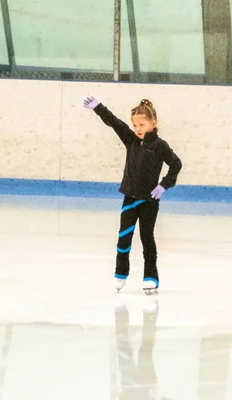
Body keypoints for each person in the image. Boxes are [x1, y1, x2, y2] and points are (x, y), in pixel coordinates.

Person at [83, 96, 182, 292]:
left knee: (147, 238)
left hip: (149, 201)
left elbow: (176, 164)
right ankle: (120, 274)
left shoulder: (160, 146)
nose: (137, 128)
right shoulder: (131, 140)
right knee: (124, 237)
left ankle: (151, 277)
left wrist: (163, 185)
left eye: (142, 124)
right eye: (135, 124)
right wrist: (98, 108)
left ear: (153, 124)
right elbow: (115, 123)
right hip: (129, 198)